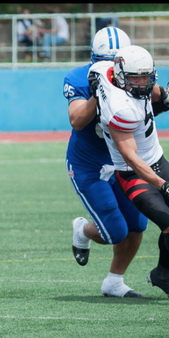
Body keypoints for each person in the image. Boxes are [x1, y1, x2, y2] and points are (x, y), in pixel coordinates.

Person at [89, 45, 169, 301]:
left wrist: (163, 97)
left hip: (158, 159)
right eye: (135, 77)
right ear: (123, 75)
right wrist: (162, 184)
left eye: (146, 76)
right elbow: (130, 157)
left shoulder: (105, 70)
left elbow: (100, 71)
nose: (142, 83)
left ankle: (161, 274)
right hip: (133, 172)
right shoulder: (121, 107)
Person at [63, 27, 149, 298]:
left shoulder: (133, 74)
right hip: (89, 162)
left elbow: (149, 101)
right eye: (104, 61)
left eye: (116, 61)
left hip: (123, 158)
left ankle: (114, 281)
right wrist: (97, 94)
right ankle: (82, 229)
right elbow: (76, 121)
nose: (110, 67)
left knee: (137, 225)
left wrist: (163, 99)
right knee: (114, 231)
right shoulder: (79, 78)